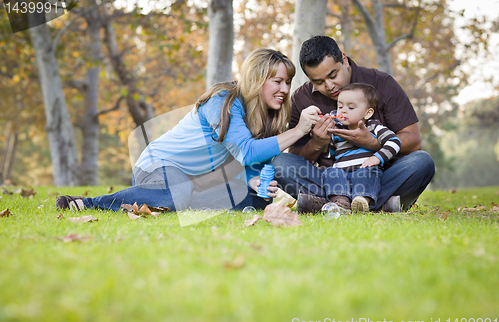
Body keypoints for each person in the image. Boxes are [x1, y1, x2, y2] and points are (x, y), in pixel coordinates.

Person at [56, 49, 320, 212]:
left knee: (258, 200)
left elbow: (250, 159)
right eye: (277, 81)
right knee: (177, 193)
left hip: (200, 179)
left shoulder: (263, 113)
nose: (285, 89)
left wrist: (250, 179)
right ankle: (89, 203)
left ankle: (175, 202)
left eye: (287, 82)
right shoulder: (223, 100)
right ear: (257, 79)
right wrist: (298, 130)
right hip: (159, 166)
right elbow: (247, 151)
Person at [271, 35, 435, 213]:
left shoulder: (382, 83)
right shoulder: (302, 98)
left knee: (422, 162)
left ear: (344, 59)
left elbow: (413, 140)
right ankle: (378, 205)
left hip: (379, 175)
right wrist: (317, 144)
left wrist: (371, 143)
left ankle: (331, 205)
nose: (329, 86)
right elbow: (297, 158)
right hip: (331, 179)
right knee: (280, 163)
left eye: (333, 75)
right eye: (318, 82)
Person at [323, 83, 401, 213]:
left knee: (367, 172)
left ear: (367, 113)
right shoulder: (337, 131)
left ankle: (361, 200)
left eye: (351, 107)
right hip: (342, 175)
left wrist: (377, 158)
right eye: (340, 106)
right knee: (331, 172)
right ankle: (341, 202)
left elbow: (394, 142)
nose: (342, 111)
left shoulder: (373, 127)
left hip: (363, 170)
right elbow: (331, 153)